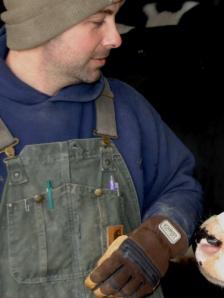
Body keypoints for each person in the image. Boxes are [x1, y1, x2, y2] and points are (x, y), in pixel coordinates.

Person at [0, 0, 203, 297]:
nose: (116, 38)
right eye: (98, 21)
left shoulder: (125, 107)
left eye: (115, 19)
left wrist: (158, 238)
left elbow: (181, 188)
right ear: (40, 29)